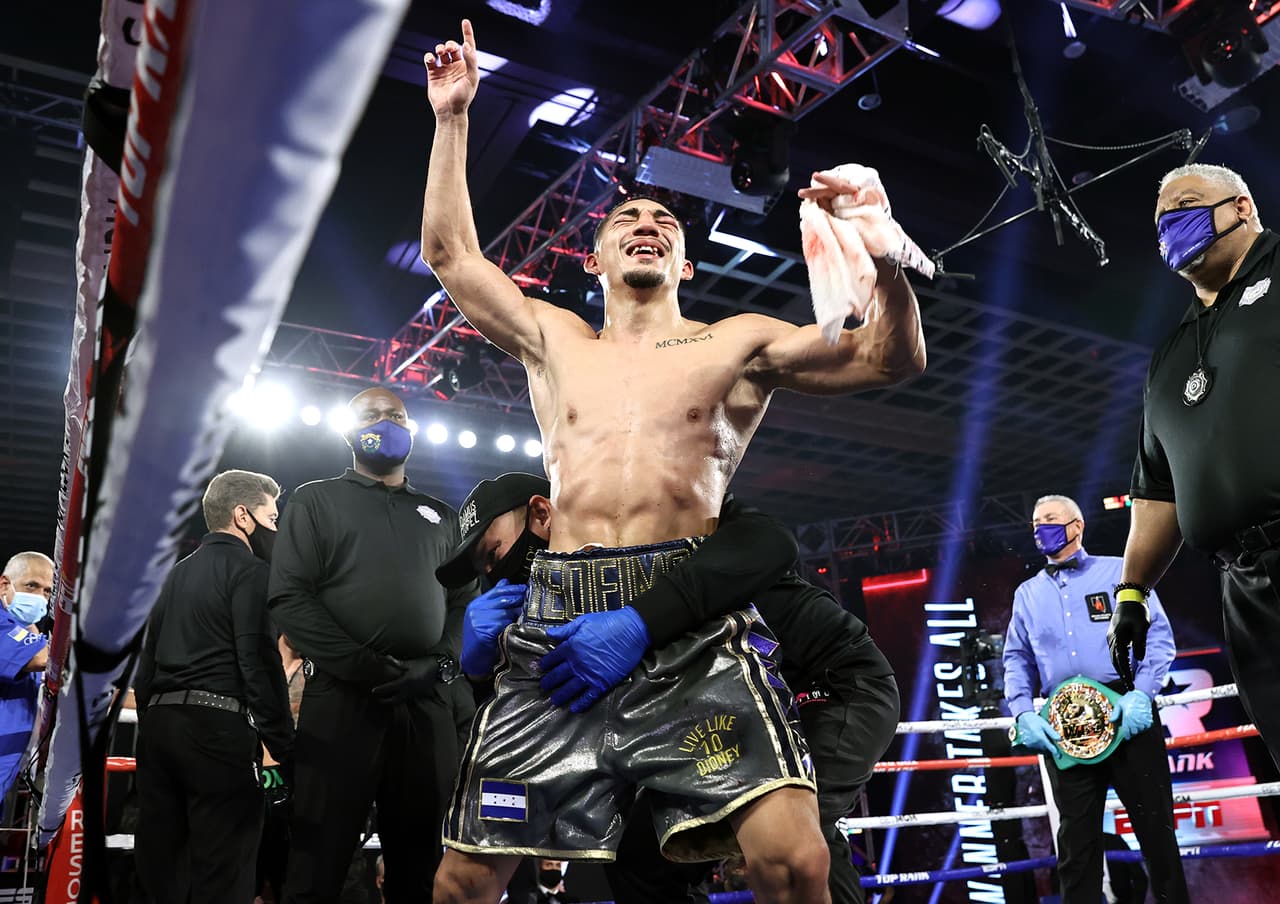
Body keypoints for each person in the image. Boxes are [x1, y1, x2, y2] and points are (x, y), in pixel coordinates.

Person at [423, 20, 923, 904]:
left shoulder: (735, 342)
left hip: (685, 611)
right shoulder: (554, 338)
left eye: (663, 219)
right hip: (562, 615)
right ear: (596, 256)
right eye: (627, 218)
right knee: (465, 879)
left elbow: (889, 360)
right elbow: (451, 256)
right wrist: (453, 118)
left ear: (686, 259)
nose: (647, 223)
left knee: (796, 859)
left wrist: (880, 255)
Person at [438, 473, 900, 904]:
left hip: (827, 685)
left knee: (791, 836)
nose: (495, 575)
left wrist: (638, 621)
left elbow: (771, 542)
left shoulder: (653, 516)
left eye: (494, 554)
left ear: (542, 514)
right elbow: (543, 709)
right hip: (731, 708)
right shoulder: (555, 603)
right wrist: (479, 669)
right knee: (641, 863)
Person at [268, 386, 476, 904]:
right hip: (343, 699)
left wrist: (439, 663)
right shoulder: (316, 500)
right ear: (346, 430)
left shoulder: (441, 515)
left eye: (396, 416)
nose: (386, 422)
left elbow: (464, 605)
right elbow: (291, 599)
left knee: (423, 864)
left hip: (426, 703)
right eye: (372, 415)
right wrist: (362, 666)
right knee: (318, 860)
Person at [1108, 163, 1280, 770]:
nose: (1169, 224)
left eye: (1184, 204)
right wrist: (1132, 590)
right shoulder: (1170, 354)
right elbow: (1159, 493)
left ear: (1240, 207)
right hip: (1247, 591)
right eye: (1159, 219)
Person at [1004, 495, 1187, 904]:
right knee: (1076, 844)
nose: (1040, 529)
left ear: (1076, 526)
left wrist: (1142, 694)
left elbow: (1157, 637)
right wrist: (1021, 712)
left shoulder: (1119, 573)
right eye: (1035, 523)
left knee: (1156, 833)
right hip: (1064, 725)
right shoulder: (1027, 594)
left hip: (1127, 716)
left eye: (1049, 520)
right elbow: (1016, 657)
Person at [133, 470, 295, 904]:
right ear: (243, 516)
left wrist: (152, 721)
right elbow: (258, 662)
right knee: (223, 874)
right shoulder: (253, 572)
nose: (275, 528)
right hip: (217, 732)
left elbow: (145, 666)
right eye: (271, 517)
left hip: (159, 731)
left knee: (160, 871)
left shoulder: (174, 575)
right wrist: (284, 744)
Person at [0, 551, 53, 798]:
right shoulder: (4, 629)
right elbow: (44, 658)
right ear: (5, 584)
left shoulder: (21, 637)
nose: (39, 598)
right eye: (31, 586)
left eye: (47, 591)